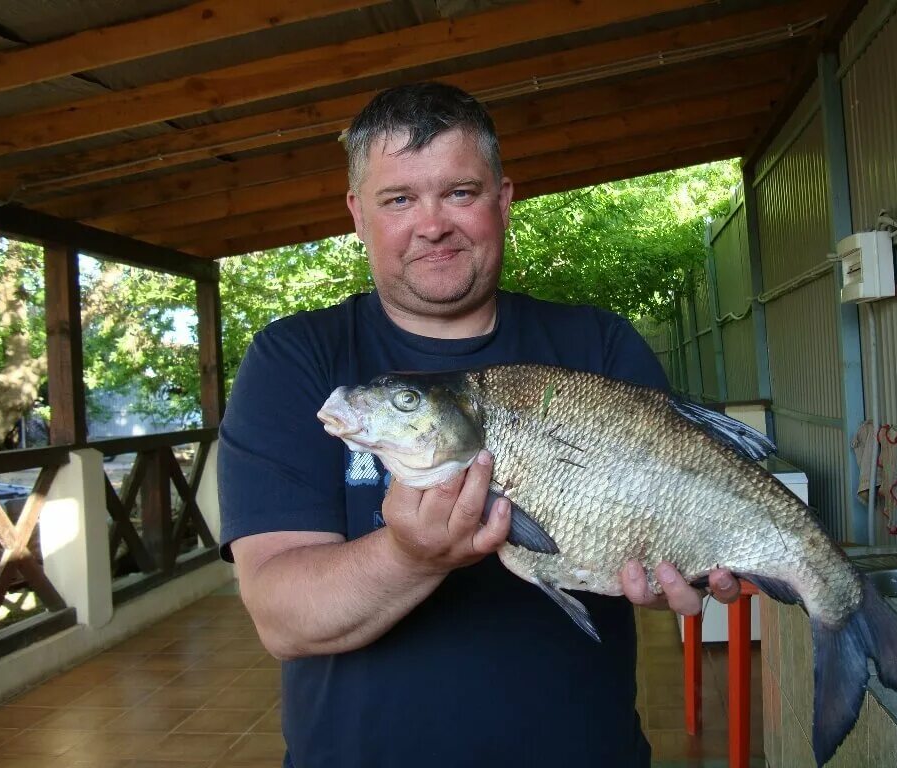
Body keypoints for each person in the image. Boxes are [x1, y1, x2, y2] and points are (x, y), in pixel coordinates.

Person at [219, 82, 740, 768]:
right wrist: (410, 555)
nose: (431, 224)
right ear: (357, 214)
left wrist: (697, 565)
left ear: (502, 199)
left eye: (459, 193)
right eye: (398, 199)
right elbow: (282, 616)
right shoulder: (296, 360)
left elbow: (669, 525)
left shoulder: (600, 347)